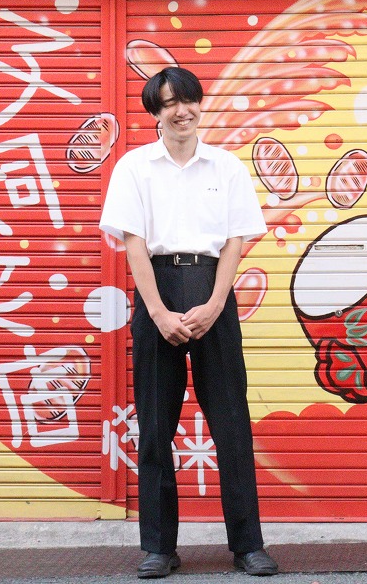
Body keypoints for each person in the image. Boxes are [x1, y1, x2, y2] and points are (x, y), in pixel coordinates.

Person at [99, 66, 277, 578]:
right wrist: (156, 312)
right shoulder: (135, 167)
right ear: (155, 110)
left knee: (232, 426)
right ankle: (159, 548)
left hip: (213, 294)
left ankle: (248, 546)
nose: (183, 111)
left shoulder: (226, 167)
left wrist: (217, 304)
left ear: (201, 105)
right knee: (156, 429)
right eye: (171, 103)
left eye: (190, 101)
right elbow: (133, 242)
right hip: (157, 289)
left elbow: (236, 241)